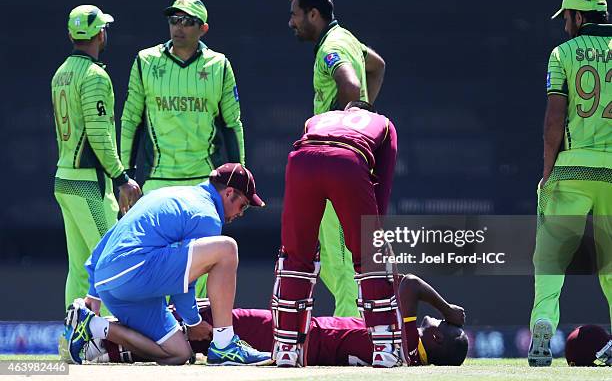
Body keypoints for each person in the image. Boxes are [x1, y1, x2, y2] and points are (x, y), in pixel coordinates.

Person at [60, 163, 270, 366]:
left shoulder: (168, 194)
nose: (241, 213)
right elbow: (183, 285)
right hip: (133, 274)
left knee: (177, 353)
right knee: (227, 249)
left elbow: (110, 237)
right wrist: (193, 322)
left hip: (114, 284)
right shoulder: (207, 216)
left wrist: (94, 293)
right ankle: (225, 344)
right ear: (228, 192)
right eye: (242, 205)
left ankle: (93, 326)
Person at [120, 0, 246, 298]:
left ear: (203, 28)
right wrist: (124, 175)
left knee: (202, 266)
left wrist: (239, 176)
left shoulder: (219, 65)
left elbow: (232, 124)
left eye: (188, 22)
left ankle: (195, 336)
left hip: (203, 184)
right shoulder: (146, 61)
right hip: (157, 182)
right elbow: (130, 121)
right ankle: (157, 340)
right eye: (174, 20)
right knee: (153, 263)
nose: (179, 27)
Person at [79, 274, 468, 367]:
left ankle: (102, 332)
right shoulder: (409, 360)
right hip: (298, 347)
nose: (428, 323)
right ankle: (111, 350)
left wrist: (448, 308)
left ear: (433, 342)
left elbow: (411, 284)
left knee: (206, 321)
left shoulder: (403, 338)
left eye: (435, 327)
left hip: (297, 334)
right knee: (196, 340)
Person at [271, 101, 402, 367]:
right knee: (370, 256)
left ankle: (286, 349)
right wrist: (374, 236)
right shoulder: (384, 124)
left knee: (296, 256)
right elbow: (383, 184)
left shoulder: (317, 118)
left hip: (301, 160)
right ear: (369, 112)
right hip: (347, 160)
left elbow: (313, 148)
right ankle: (384, 350)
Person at [288, 0, 387, 318]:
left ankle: (351, 331)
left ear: (313, 14)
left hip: (335, 163)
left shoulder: (331, 47)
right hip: (347, 164)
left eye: (296, 15)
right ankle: (357, 323)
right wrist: (365, 118)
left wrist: (343, 131)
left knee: (342, 258)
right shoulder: (347, 38)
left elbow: (351, 84)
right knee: (332, 256)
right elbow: (377, 65)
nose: (292, 23)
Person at [529, 0, 612, 367]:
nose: (565, 26)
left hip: (574, 166)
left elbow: (554, 118)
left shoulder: (562, 53)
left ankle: (543, 323)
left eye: (567, 18)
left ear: (579, 17)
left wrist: (548, 171)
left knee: (550, 255)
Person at [51, 5, 141, 313]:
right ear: (100, 34)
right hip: (88, 182)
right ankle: (118, 340)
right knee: (113, 260)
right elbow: (100, 136)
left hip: (64, 179)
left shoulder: (61, 73)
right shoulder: (95, 77)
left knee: (79, 267)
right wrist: (122, 178)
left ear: (70, 35)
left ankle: (71, 338)